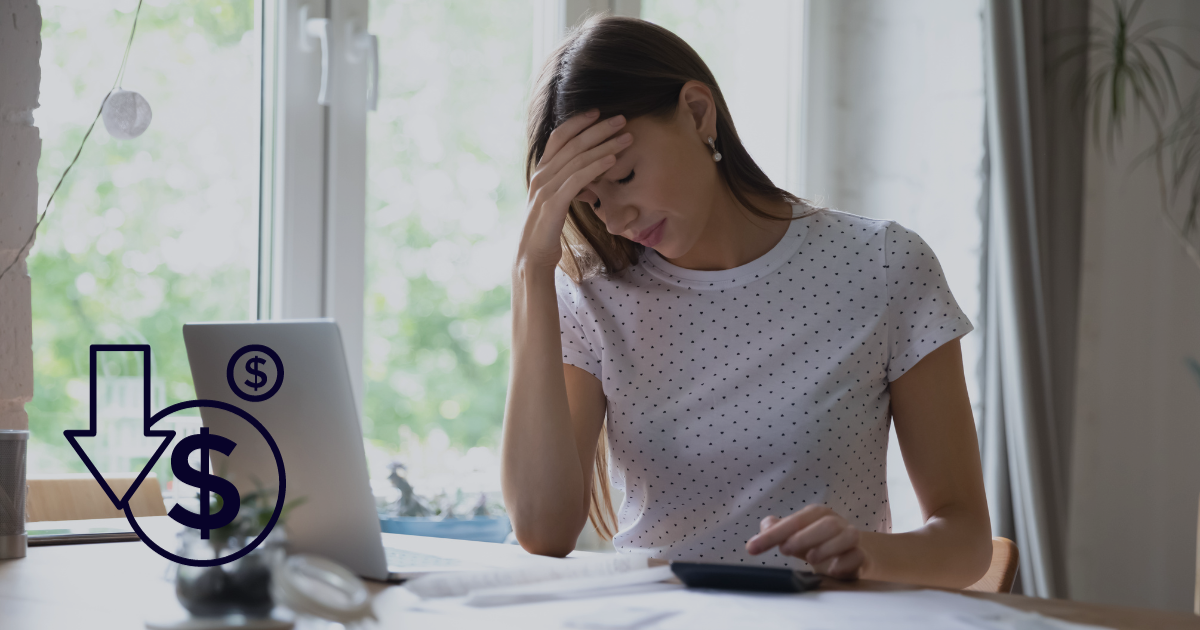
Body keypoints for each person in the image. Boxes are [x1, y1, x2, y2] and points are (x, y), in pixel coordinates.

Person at [501, 14, 991, 589]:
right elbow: (543, 529)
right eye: (591, 201)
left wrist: (867, 552)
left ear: (697, 112)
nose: (618, 217)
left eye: (626, 176)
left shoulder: (883, 265)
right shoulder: (592, 297)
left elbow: (967, 541)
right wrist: (531, 271)